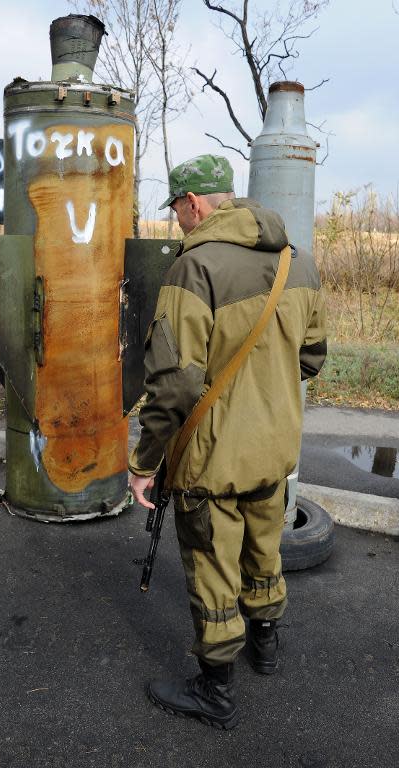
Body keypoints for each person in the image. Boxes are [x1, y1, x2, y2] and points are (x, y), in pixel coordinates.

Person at [128, 154, 327, 730]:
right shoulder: (298, 261)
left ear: (194, 203)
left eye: (177, 209)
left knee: (214, 564)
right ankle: (264, 648)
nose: (178, 220)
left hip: (213, 458)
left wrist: (144, 463)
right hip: (275, 448)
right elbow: (311, 358)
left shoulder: (195, 270)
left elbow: (173, 384)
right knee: (264, 550)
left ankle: (214, 691)